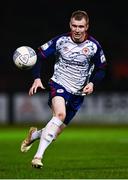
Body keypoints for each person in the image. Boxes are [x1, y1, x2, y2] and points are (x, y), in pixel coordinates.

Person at [21, 10, 107, 168]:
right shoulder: (61, 41)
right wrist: (37, 77)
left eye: (81, 26)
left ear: (86, 27)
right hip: (59, 84)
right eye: (74, 25)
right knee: (60, 114)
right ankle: (38, 157)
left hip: (78, 93)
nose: (77, 29)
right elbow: (39, 56)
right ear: (70, 25)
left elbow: (102, 69)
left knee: (53, 134)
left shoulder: (94, 46)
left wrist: (93, 83)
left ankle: (34, 135)